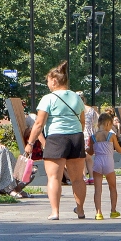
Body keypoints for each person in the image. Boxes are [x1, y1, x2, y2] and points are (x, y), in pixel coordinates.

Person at [26, 61, 89, 221]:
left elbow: (39, 124)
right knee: (77, 178)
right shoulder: (77, 97)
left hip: (56, 138)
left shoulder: (48, 98)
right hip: (76, 137)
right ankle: (80, 210)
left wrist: (30, 143)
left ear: (54, 81)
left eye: (48, 81)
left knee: (54, 177)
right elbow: (82, 121)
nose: (48, 84)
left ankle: (55, 212)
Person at [89, 110, 121, 219]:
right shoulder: (111, 135)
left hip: (98, 162)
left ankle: (98, 213)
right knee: (112, 187)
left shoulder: (93, 137)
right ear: (108, 123)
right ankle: (113, 211)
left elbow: (90, 152)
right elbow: (118, 150)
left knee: (98, 189)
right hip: (108, 162)